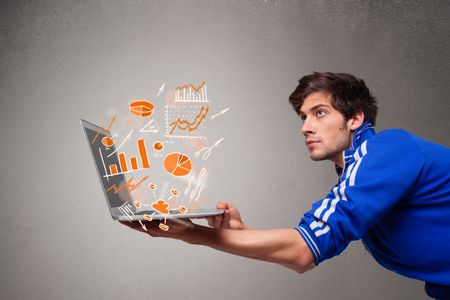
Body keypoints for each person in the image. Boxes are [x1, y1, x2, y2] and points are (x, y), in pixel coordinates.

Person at [121, 72, 450, 299]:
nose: (305, 127)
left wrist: (190, 232)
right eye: (303, 117)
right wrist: (240, 233)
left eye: (319, 113)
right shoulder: (362, 173)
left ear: (355, 119)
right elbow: (302, 255)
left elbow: (303, 252)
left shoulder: (389, 151)